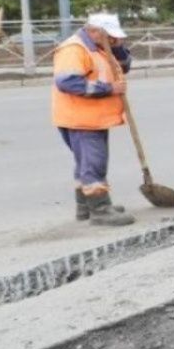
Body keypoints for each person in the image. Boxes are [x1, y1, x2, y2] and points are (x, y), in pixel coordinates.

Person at [53, 13, 135, 225]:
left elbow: (123, 66)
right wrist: (109, 89)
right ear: (95, 31)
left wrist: (117, 47)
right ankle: (100, 210)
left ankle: (85, 208)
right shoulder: (74, 49)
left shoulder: (99, 46)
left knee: (86, 163)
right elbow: (68, 83)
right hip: (80, 118)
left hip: (94, 117)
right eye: (110, 36)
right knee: (93, 164)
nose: (112, 39)